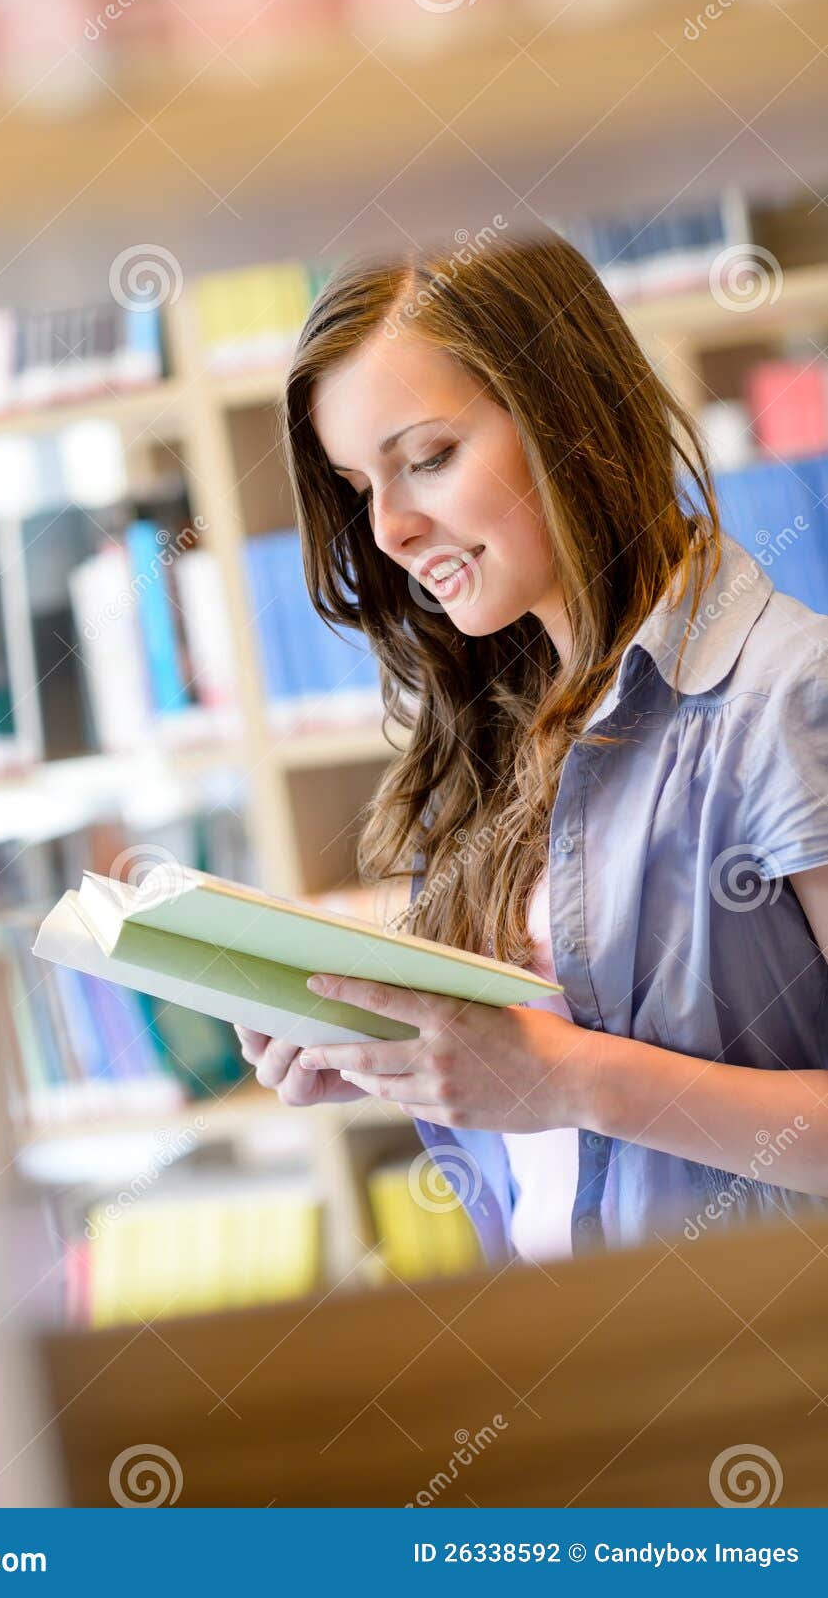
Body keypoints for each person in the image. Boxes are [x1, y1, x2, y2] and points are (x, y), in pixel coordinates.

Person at [235, 230, 828, 1265]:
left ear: (568, 418)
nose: (390, 532)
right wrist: (389, 1051)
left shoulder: (786, 696)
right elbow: (530, 1100)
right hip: (584, 1371)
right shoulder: (494, 735)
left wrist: (568, 1077)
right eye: (358, 485)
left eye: (427, 458)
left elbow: (557, 1072)